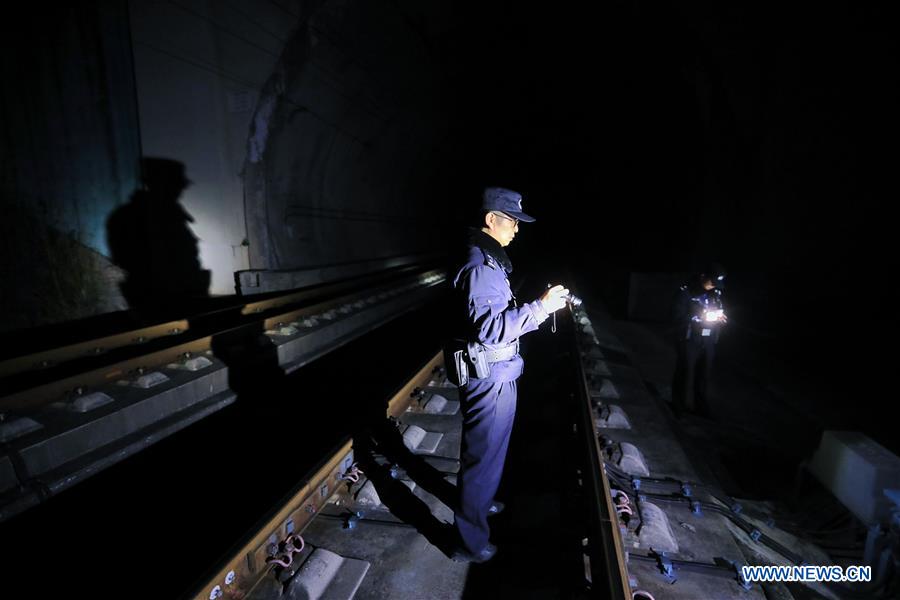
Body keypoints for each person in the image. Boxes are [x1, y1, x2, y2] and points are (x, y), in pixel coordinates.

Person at [446, 186, 569, 563]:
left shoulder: (490, 260)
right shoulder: (481, 265)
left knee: (490, 453)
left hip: (497, 372)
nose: (516, 228)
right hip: (490, 378)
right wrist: (541, 308)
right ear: (491, 220)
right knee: (482, 457)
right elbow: (491, 328)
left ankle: (479, 504)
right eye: (513, 221)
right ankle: (468, 541)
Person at [670, 263, 727, 418]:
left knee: (704, 373)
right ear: (703, 277)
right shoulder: (686, 291)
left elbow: (717, 310)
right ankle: (678, 406)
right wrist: (696, 318)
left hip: (709, 339)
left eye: (717, 284)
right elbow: (676, 316)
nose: (714, 286)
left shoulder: (716, 293)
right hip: (690, 338)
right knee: (685, 371)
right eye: (712, 282)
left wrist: (719, 317)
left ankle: (701, 407)